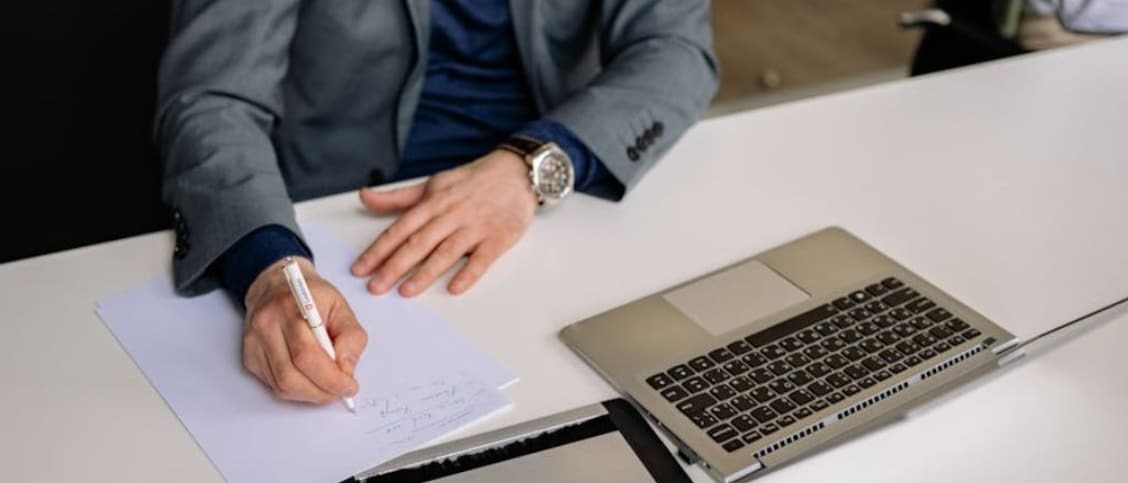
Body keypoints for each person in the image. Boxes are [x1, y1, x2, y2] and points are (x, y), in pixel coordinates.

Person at [156, 1, 718, 405]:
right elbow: (210, 97)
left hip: (546, 203)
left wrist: (532, 163)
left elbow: (676, 49)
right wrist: (266, 266)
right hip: (337, 223)